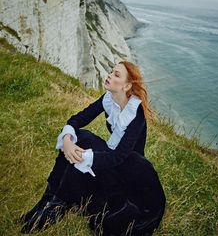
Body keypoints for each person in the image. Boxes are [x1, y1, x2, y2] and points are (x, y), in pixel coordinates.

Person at [19, 61, 166, 235]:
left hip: (128, 171)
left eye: (116, 75)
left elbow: (119, 157)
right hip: (113, 159)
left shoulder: (136, 114)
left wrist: (83, 156)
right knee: (81, 136)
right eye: (111, 71)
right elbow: (77, 119)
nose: (110, 75)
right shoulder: (108, 99)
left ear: (127, 86)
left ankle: (56, 207)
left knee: (85, 144)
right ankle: (49, 200)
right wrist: (67, 141)